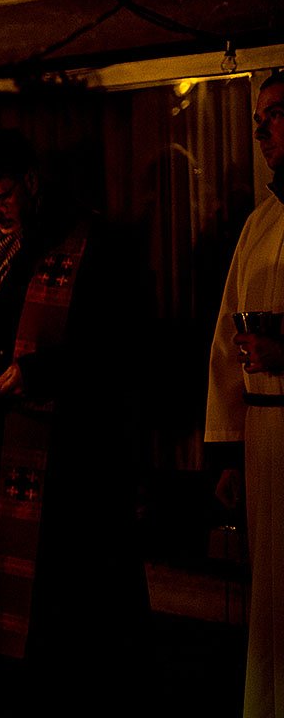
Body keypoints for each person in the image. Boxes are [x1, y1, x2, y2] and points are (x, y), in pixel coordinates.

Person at [0, 127, 150, 716]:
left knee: (71, 611)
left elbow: (119, 346)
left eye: (2, 198)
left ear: (32, 183)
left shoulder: (91, 243)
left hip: (70, 456)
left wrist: (38, 373)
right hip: (3, 440)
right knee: (14, 614)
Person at [205, 70, 284, 718]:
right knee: (270, 594)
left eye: (276, 114)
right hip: (263, 435)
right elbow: (226, 341)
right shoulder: (262, 222)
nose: (262, 130)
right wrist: (228, 449)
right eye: (259, 118)